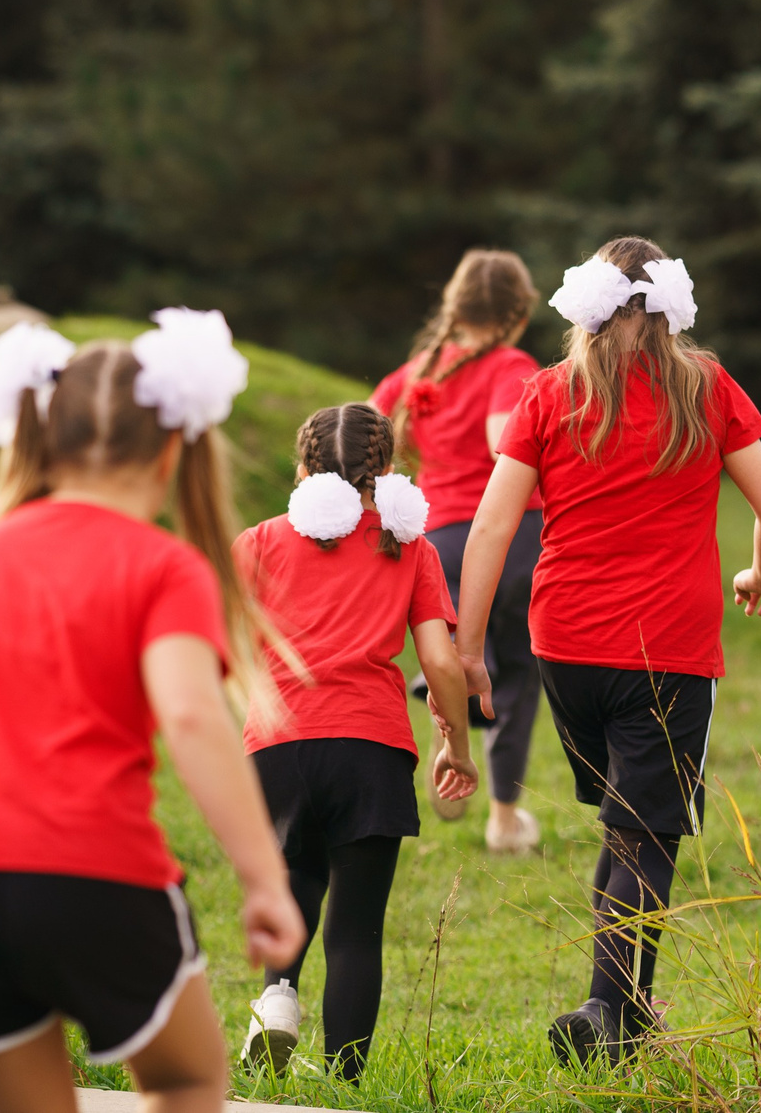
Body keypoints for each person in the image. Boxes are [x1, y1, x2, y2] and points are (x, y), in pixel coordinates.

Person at [0, 316, 307, 1113]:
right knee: (186, 1078)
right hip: (86, 872)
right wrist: (264, 880)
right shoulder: (161, 565)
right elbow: (190, 718)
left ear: (43, 434)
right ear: (175, 448)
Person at [451, 240, 761, 1064]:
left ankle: (629, 1015)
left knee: (624, 826)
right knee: (644, 834)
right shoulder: (706, 387)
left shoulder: (548, 391)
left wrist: (468, 648)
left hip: (564, 647)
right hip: (667, 650)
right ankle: (606, 1010)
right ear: (669, 305)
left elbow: (493, 527)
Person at [233, 404, 480, 1080]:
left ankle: (277, 994)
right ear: (389, 471)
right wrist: (456, 744)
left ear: (303, 469)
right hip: (371, 749)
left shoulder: (257, 542)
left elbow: (218, 644)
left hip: (277, 746)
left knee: (295, 883)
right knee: (356, 929)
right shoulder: (411, 549)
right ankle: (343, 1080)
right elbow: (440, 663)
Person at [371, 251, 547, 856]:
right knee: (519, 677)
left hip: (439, 542)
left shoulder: (415, 372)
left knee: (458, 654)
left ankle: (445, 723)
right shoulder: (511, 365)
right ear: (518, 313)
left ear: (455, 306)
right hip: (517, 538)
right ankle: (503, 818)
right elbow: (506, 441)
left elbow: (366, 437)